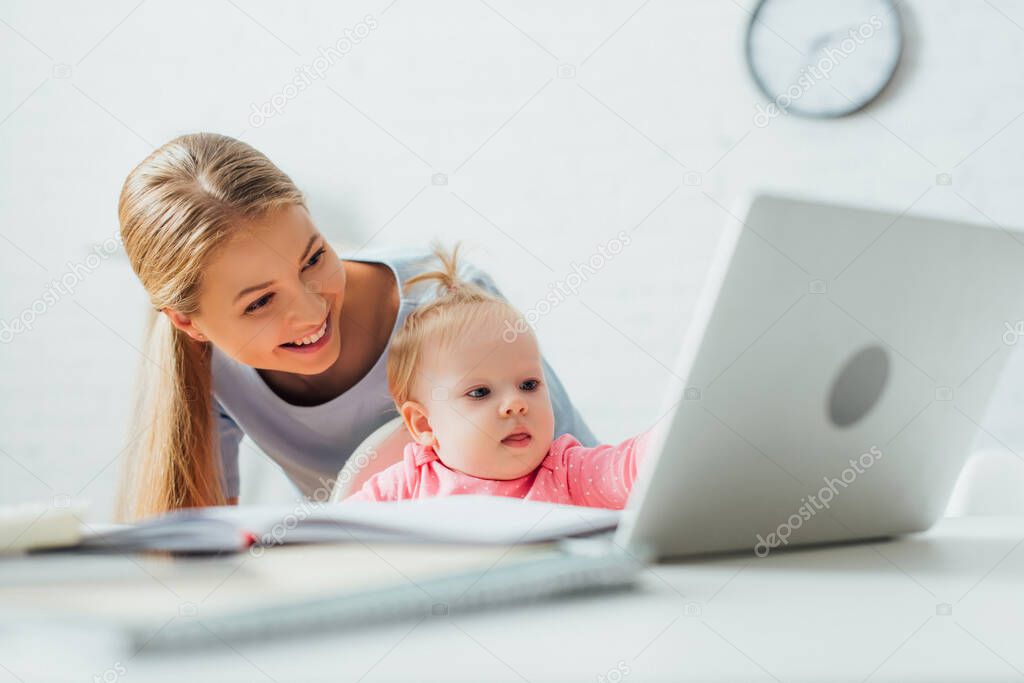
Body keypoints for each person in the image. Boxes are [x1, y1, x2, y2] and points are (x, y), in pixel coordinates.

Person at [115, 132, 595, 520]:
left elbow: (577, 476)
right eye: (261, 301)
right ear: (187, 322)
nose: (310, 312)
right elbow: (207, 552)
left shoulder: (444, 298)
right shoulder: (210, 371)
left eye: (314, 258)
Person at [345, 243, 652, 509]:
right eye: (480, 392)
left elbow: (631, 465)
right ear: (424, 424)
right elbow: (338, 530)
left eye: (529, 385)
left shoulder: (567, 472)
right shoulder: (407, 487)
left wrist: (672, 433)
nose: (516, 404)